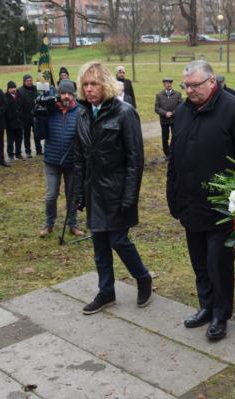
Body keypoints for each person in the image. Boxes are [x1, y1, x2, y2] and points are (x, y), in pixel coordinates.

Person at [167, 60, 235, 341]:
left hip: (222, 207)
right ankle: (206, 306)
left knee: (218, 262)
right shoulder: (182, 111)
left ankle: (221, 313)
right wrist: (173, 194)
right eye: (186, 85)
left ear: (211, 83)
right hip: (190, 203)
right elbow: (175, 155)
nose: (190, 90)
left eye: (195, 85)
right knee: (199, 262)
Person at [73, 61, 152, 314]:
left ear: (105, 84)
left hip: (117, 192)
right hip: (93, 191)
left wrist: (129, 196)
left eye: (93, 83)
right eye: (85, 84)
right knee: (99, 244)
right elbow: (80, 157)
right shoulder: (83, 114)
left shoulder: (124, 113)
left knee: (119, 240)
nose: (89, 89)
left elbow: (135, 160)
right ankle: (106, 291)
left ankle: (143, 277)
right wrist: (78, 194)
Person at [39, 80, 85, 238]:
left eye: (69, 93)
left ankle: (72, 224)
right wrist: (38, 116)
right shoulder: (50, 110)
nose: (66, 96)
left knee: (71, 195)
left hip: (72, 162)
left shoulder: (80, 111)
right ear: (58, 94)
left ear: (73, 95)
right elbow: (40, 134)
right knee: (51, 194)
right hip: (52, 161)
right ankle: (48, 223)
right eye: (63, 93)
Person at [154, 77, 182, 159]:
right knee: (165, 138)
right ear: (164, 84)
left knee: (175, 136)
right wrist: (165, 113)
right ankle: (167, 154)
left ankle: (175, 152)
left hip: (175, 120)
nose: (168, 84)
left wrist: (173, 113)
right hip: (164, 120)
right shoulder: (159, 95)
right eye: (166, 83)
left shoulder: (178, 94)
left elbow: (181, 106)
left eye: (170, 83)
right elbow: (156, 108)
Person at [17, 74, 39, 158]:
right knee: (27, 135)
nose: (30, 82)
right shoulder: (20, 90)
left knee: (37, 133)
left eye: (30, 80)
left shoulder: (36, 88)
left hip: (35, 115)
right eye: (28, 81)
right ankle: (28, 151)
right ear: (24, 81)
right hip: (25, 116)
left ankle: (39, 149)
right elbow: (19, 104)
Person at [4, 81, 22, 161]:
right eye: (11, 88)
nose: (13, 89)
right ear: (8, 89)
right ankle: (10, 154)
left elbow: (23, 107)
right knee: (10, 140)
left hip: (19, 122)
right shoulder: (5, 97)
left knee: (19, 139)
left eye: (14, 87)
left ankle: (18, 153)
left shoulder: (19, 95)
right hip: (10, 123)